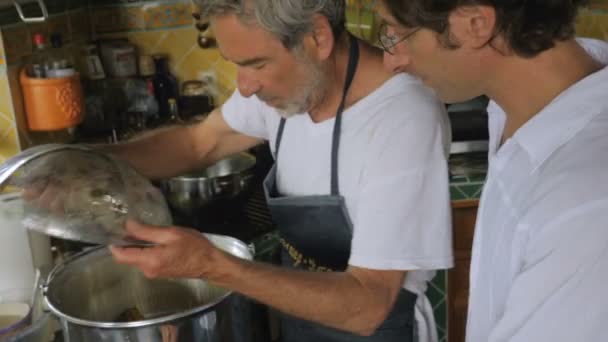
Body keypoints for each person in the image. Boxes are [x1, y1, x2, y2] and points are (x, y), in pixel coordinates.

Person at [104, 0, 453, 341]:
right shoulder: (292, 89)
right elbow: (198, 144)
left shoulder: (403, 117)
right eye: (237, 64)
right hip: (299, 322)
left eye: (256, 64)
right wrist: (77, 165)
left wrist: (211, 265)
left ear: (318, 37)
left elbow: (368, 306)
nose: (244, 86)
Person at [375, 1, 608, 341]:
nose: (391, 59)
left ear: (476, 24)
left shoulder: (584, 207)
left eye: (400, 35)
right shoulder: (512, 108)